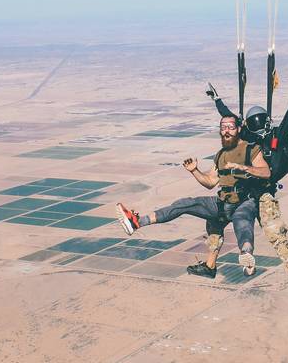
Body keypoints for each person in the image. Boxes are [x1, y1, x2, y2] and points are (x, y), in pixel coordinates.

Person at [115, 115, 270, 279]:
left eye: (230, 127)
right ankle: (137, 222)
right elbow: (210, 181)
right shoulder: (220, 155)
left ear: (238, 129)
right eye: (223, 127)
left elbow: (266, 172)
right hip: (222, 202)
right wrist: (194, 171)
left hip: (244, 202)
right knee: (185, 204)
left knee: (242, 222)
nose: (226, 131)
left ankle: (247, 256)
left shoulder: (251, 150)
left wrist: (242, 167)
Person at [206, 75, 288, 294]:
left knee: (267, 230)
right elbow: (231, 120)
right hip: (252, 193)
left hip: (259, 194)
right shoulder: (260, 136)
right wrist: (217, 101)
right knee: (267, 232)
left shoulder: (265, 137)